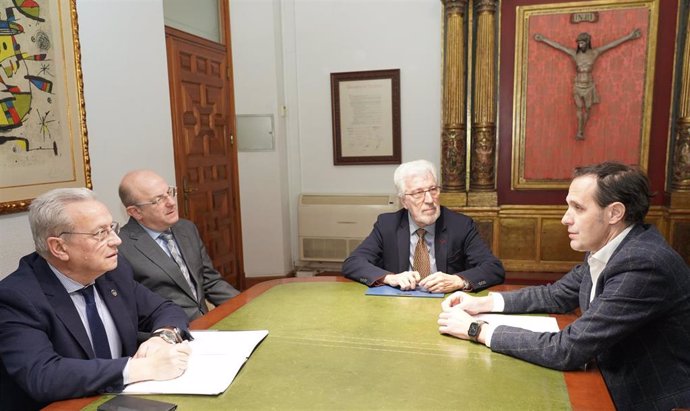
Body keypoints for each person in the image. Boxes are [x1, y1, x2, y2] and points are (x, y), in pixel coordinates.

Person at [438, 162, 690, 410]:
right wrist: (482, 303)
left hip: (643, 398)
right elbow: (556, 294)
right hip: (604, 378)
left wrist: (476, 330)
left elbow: (568, 349)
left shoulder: (642, 263)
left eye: (578, 208)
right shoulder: (611, 246)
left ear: (614, 213)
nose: (564, 219)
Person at [0, 188, 193, 411]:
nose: (116, 241)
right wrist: (139, 368)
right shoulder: (16, 297)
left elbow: (165, 309)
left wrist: (163, 338)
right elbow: (43, 375)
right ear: (59, 247)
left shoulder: (112, 272)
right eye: (100, 233)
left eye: (112, 228)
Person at [342, 159, 504, 293]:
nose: (429, 200)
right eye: (418, 193)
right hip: (398, 305)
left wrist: (458, 281)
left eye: (433, 190)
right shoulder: (387, 225)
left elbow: (493, 268)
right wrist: (390, 278)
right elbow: (353, 263)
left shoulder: (460, 225)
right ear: (404, 201)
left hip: (447, 306)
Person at [118, 170, 239, 320]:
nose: (171, 202)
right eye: (158, 200)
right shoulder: (120, 247)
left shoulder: (186, 228)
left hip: (207, 326)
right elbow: (130, 312)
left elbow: (210, 281)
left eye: (169, 192)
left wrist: (245, 306)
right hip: (169, 335)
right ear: (135, 212)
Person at [534, 29, 641, 140]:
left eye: (582, 43)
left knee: (588, 109)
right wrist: (543, 39)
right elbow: (559, 46)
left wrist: (629, 36)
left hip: (589, 86)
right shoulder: (574, 53)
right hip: (578, 86)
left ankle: (581, 130)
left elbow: (611, 45)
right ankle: (579, 132)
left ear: (587, 42)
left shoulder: (595, 53)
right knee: (579, 108)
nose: (580, 45)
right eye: (579, 43)